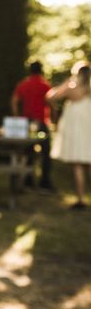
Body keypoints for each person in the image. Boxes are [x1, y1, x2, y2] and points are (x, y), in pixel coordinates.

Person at [47, 61, 91, 210]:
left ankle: (80, 198)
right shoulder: (89, 87)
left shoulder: (72, 85)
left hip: (76, 123)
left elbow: (51, 97)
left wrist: (64, 84)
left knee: (78, 161)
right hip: (88, 120)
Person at [11, 60, 54, 191]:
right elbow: (51, 103)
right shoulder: (45, 85)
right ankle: (44, 182)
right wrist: (54, 118)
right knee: (46, 153)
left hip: (26, 122)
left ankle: (29, 181)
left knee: (27, 152)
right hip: (41, 122)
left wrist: (17, 116)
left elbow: (14, 101)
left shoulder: (23, 84)